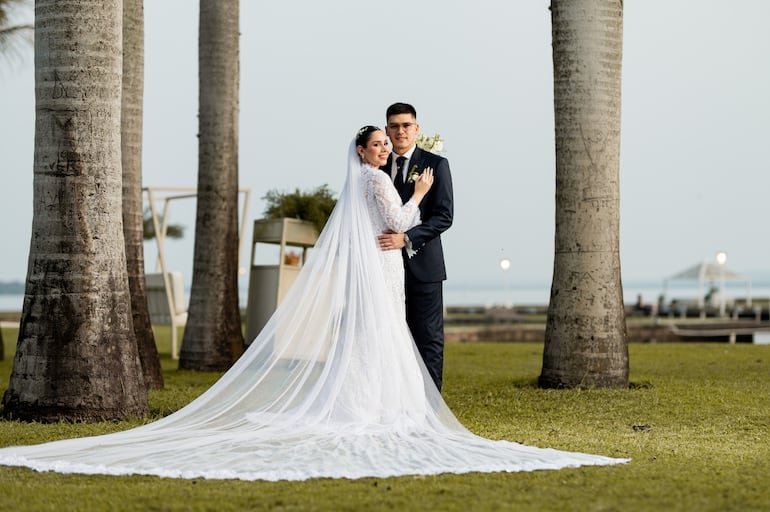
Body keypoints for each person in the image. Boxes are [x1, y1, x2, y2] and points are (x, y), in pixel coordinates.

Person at [0, 128, 628, 481]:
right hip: (385, 264)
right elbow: (400, 217)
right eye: (379, 144)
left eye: (389, 144)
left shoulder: (355, 180)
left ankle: (369, 398)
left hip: (380, 263)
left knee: (375, 336)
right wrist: (423, 191)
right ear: (365, 151)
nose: (386, 149)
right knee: (385, 334)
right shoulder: (379, 179)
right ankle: (379, 405)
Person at [377, 102, 453, 391]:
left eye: (406, 125)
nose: (400, 131)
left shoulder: (436, 164)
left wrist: (406, 238)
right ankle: (396, 400)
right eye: (394, 126)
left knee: (428, 337)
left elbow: (444, 217)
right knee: (392, 335)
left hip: (425, 267)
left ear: (416, 129)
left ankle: (430, 406)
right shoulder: (377, 167)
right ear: (386, 130)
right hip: (385, 266)